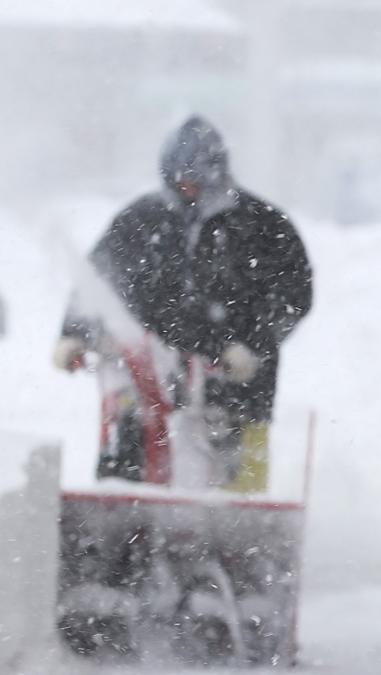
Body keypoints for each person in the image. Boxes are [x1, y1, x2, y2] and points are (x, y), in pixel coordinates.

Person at [53, 115, 312, 493]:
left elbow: (294, 296)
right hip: (151, 376)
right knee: (130, 465)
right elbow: (98, 282)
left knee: (236, 490)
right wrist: (75, 333)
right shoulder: (141, 220)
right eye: (179, 180)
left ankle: (235, 540)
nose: (187, 189)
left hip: (238, 388)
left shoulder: (262, 226)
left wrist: (253, 347)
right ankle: (126, 528)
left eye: (195, 179)